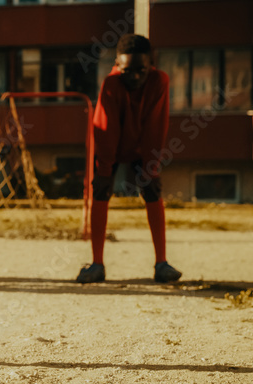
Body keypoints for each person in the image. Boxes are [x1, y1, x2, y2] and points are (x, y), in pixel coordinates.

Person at [77, 34, 182, 284]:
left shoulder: (159, 81)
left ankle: (161, 264)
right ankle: (97, 265)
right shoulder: (112, 84)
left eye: (140, 70)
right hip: (111, 145)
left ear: (151, 65)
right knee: (100, 192)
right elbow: (106, 129)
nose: (134, 76)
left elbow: (156, 127)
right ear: (117, 64)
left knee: (152, 190)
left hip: (142, 145)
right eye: (127, 70)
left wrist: (151, 168)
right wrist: (103, 170)